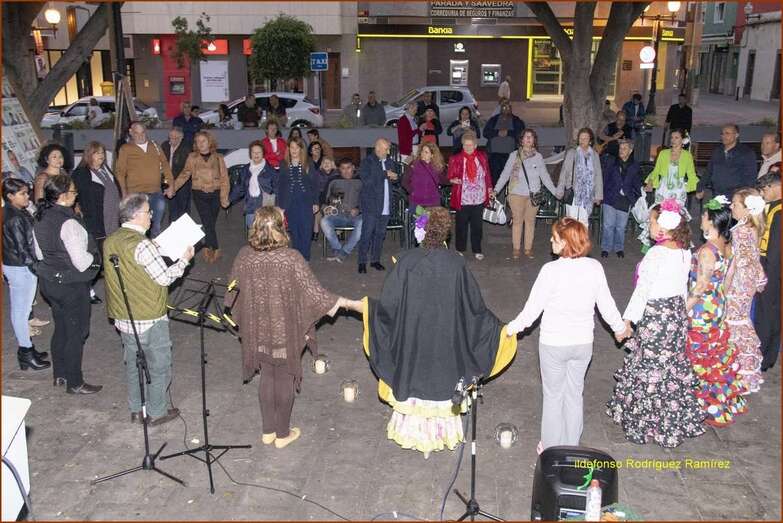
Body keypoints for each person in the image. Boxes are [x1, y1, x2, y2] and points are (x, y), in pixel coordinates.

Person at [362, 207, 517, 457]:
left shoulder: (407, 261)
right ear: (445, 233)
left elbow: (389, 304)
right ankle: (439, 436)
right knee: (442, 374)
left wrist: (371, 309)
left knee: (414, 371)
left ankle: (413, 435)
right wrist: (497, 328)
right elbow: (473, 305)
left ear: (422, 231)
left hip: (414, 336)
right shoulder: (455, 262)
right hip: (445, 336)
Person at [225, 206, 363, 448]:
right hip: (285, 329)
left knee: (267, 375)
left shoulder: (244, 255)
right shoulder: (291, 258)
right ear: (281, 227)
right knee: (285, 376)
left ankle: (268, 431)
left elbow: (232, 291)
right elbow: (316, 294)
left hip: (257, 328)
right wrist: (349, 304)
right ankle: (282, 434)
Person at [507, 218, 627, 452]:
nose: (551, 240)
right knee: (574, 394)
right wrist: (619, 328)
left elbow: (532, 311)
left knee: (553, 397)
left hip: (553, 344)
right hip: (583, 344)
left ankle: (551, 449)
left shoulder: (550, 271)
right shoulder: (594, 268)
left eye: (555, 238)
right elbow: (607, 305)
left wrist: (510, 329)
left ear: (565, 243)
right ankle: (571, 445)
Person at [607, 199, 706, 447]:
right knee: (670, 366)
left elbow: (643, 291)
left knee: (650, 367)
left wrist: (627, 321)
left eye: (651, 221)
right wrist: (682, 316)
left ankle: (646, 420)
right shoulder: (684, 251)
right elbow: (683, 289)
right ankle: (668, 419)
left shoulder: (656, 253)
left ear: (663, 227)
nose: (648, 225)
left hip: (657, 317)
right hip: (675, 316)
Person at [103, 194, 194, 425]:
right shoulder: (142, 245)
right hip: (149, 316)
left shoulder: (111, 240)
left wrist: (153, 245)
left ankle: (136, 409)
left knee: (133, 365)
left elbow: (130, 259)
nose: (151, 215)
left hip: (124, 317)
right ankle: (157, 412)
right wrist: (183, 260)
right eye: (148, 212)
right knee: (159, 365)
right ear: (136, 215)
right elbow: (164, 278)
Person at [34, 175, 102, 394]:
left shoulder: (40, 216)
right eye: (73, 192)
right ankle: (75, 382)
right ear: (63, 196)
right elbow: (81, 262)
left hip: (49, 282)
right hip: (71, 286)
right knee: (76, 333)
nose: (76, 195)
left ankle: (60, 374)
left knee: (61, 327)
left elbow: (37, 253)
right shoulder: (69, 222)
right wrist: (96, 260)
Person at [686, 196, 748, 426]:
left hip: (702, 310)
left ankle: (699, 403)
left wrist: (683, 310)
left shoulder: (707, 251)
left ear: (711, 221)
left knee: (699, 356)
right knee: (714, 356)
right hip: (718, 305)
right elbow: (728, 280)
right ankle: (718, 401)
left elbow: (700, 286)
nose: (700, 219)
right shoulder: (727, 246)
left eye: (703, 216)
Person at [3, 178, 50, 371]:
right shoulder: (14, 217)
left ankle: (28, 349)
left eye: (26, 192)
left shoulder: (14, 212)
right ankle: (26, 352)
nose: (27, 196)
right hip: (20, 267)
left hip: (17, 266)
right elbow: (23, 249)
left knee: (21, 311)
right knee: (21, 312)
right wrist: (36, 268)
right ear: (10, 196)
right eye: (22, 193)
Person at [725, 188, 767, 394]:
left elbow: (737, 263)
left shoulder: (741, 230)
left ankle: (738, 374)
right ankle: (743, 372)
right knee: (741, 323)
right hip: (749, 280)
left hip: (740, 283)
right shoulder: (751, 227)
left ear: (747, 209)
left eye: (735, 204)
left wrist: (724, 287)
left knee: (735, 325)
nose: (731, 206)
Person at [494, 128, 558, 259]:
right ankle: (516, 249)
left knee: (530, 221)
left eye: (531, 136)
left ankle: (528, 248)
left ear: (534, 141)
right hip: (516, 193)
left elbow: (544, 176)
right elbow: (505, 174)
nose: (528, 138)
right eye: (526, 136)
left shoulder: (538, 157)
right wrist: (496, 190)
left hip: (533, 195)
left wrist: (555, 192)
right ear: (521, 140)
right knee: (517, 221)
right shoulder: (514, 155)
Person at [173, 131, 230, 263]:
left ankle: (207, 244)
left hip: (215, 193)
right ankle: (214, 247)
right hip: (199, 194)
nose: (200, 144)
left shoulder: (218, 157)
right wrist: (173, 187)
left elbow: (224, 179)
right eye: (198, 142)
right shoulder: (192, 158)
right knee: (207, 222)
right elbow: (184, 174)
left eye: (203, 141)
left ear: (209, 142)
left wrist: (224, 197)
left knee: (210, 223)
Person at [115, 121, 174, 237]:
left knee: (155, 225)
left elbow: (166, 165)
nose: (141, 136)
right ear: (131, 133)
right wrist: (124, 193)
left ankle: (153, 250)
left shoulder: (155, 146)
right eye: (137, 133)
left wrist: (172, 185)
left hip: (155, 192)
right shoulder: (125, 149)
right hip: (136, 194)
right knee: (138, 226)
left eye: (143, 133)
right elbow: (120, 172)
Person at [448, 132, 493, 260]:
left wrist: (490, 188)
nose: (468, 148)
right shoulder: (455, 158)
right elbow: (449, 176)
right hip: (463, 198)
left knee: (477, 226)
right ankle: (460, 249)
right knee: (461, 226)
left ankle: (477, 249)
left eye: (470, 145)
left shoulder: (482, 157)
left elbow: (487, 175)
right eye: (465, 145)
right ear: (462, 145)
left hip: (478, 198)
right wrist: (453, 180)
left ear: (475, 145)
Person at [357, 138, 398, 273]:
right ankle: (362, 262)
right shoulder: (367, 162)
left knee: (380, 235)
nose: (388, 152)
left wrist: (396, 178)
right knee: (367, 234)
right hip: (371, 205)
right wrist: (385, 174)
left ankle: (375, 260)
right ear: (378, 148)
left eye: (388, 149)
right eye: (386, 149)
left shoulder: (390, 162)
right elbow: (367, 181)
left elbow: (395, 181)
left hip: (385, 204)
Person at [277, 137, 319, 261]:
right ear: (288, 149)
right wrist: (280, 205)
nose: (294, 150)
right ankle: (297, 259)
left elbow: (315, 184)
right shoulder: (283, 164)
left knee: (306, 231)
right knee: (295, 232)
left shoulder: (309, 162)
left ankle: (305, 258)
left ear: (302, 149)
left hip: (306, 202)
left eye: (297, 147)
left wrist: (316, 202)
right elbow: (281, 186)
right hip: (290, 203)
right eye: (292, 147)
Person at [755, 170, 781, 371]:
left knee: (766, 313)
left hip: (772, 268)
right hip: (768, 264)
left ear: (774, 187)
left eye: (764, 190)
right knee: (770, 311)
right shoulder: (771, 207)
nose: (762, 194)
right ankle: (768, 355)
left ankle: (763, 356)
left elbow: (775, 249)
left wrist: (766, 275)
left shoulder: (779, 212)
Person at [600, 140, 642, 258]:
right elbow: (604, 179)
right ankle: (606, 248)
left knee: (621, 227)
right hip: (610, 197)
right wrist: (601, 195)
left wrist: (636, 196)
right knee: (608, 225)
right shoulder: (612, 162)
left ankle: (619, 247)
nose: (621, 150)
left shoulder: (635, 165)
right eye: (620, 148)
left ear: (630, 150)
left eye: (624, 148)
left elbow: (637, 183)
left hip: (625, 199)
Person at [696, 124, 758, 200]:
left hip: (735, 197)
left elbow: (750, 179)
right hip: (717, 195)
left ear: (736, 135)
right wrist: (700, 187)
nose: (724, 136)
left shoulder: (746, 153)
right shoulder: (717, 151)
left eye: (727, 133)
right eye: (722, 133)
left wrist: (741, 196)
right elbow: (709, 171)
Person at [557, 128, 603, 226]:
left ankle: (582, 241)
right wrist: (560, 190)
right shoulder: (572, 153)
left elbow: (598, 175)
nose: (582, 141)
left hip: (587, 194)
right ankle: (570, 241)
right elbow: (564, 172)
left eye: (585, 138)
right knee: (570, 221)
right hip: (573, 191)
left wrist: (598, 195)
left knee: (583, 222)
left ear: (590, 141)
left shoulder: (595, 155)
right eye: (581, 138)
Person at [321, 158, 363, 262]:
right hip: (338, 215)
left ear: (353, 167)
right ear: (339, 169)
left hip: (356, 216)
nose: (346, 171)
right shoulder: (333, 180)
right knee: (324, 221)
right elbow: (323, 200)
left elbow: (367, 200)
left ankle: (345, 251)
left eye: (348, 168)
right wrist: (326, 209)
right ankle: (337, 249)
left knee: (363, 222)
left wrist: (358, 209)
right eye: (343, 168)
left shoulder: (361, 180)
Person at [644, 129, 698, 209]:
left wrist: (697, 187)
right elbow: (656, 170)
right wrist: (650, 182)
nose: (673, 140)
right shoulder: (663, 153)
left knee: (676, 216)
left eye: (676, 138)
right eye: (672, 137)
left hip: (679, 190)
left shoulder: (687, 156)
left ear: (682, 140)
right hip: (663, 189)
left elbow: (692, 174)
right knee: (660, 215)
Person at [229, 140, 276, 230]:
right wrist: (229, 200)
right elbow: (239, 188)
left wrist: (278, 208)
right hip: (250, 207)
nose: (256, 154)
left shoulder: (271, 171)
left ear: (263, 153)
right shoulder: (245, 170)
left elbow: (277, 189)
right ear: (250, 154)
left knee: (265, 236)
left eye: (259, 152)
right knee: (253, 236)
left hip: (266, 208)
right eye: (253, 152)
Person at [483, 101, 525, 186]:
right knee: (494, 178)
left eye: (508, 107)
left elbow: (521, 133)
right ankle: (494, 196)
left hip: (510, 155)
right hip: (494, 155)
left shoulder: (516, 120)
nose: (506, 109)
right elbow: (485, 133)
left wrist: (508, 133)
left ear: (511, 109)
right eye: (504, 107)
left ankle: (509, 197)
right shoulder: (494, 120)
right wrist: (497, 133)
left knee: (510, 179)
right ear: (500, 109)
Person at [402, 141, 448, 212]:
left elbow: (443, 180)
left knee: (432, 223)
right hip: (416, 202)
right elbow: (405, 181)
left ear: (432, 155)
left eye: (426, 152)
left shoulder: (437, 166)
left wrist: (452, 180)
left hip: (433, 202)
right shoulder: (414, 164)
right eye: (422, 151)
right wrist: (412, 191)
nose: (423, 154)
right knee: (417, 223)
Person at [162, 126, 192, 222]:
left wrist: (176, 184)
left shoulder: (187, 148)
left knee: (183, 208)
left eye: (176, 138)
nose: (172, 140)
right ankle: (172, 228)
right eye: (171, 137)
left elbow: (186, 169)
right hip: (168, 181)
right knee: (172, 207)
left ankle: (183, 230)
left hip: (183, 182)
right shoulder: (165, 145)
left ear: (181, 137)